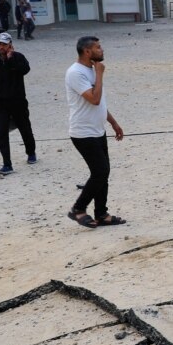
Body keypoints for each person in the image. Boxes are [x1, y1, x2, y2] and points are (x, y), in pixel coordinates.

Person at [65, 36, 126, 228]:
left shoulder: (91, 70)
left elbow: (101, 105)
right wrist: (99, 74)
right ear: (87, 52)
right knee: (100, 171)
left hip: (97, 130)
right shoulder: (76, 73)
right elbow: (94, 99)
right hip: (83, 133)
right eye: (98, 48)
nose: (102, 50)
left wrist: (114, 123)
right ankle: (78, 209)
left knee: (103, 173)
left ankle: (101, 213)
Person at [0, 33, 36, 175]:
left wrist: (10, 59)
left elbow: (25, 70)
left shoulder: (18, 57)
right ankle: (7, 164)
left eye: (3, 44)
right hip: (0, 103)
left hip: (18, 101)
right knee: (2, 132)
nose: (1, 47)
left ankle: (31, 152)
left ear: (10, 44)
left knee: (24, 128)